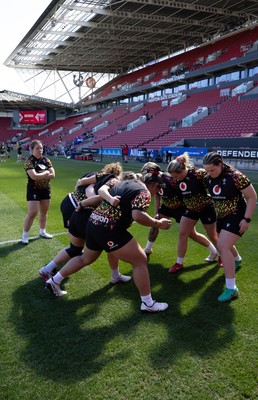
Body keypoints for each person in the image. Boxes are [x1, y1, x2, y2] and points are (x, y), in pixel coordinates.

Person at [46, 172, 172, 313]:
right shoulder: (144, 192)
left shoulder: (125, 183)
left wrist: (82, 204)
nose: (157, 193)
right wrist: (158, 223)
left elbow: (100, 197)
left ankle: (55, 280)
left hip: (94, 222)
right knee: (140, 260)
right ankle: (148, 303)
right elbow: (137, 215)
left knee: (85, 258)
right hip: (109, 228)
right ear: (154, 185)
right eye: (158, 189)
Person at [39, 172, 131, 285]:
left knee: (76, 249)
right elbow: (90, 192)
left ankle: (48, 269)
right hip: (79, 209)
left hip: (75, 205)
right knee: (89, 253)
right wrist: (106, 201)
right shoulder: (111, 181)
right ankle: (54, 279)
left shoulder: (102, 176)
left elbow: (80, 182)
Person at [203, 152, 257, 302]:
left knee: (223, 247)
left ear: (220, 164)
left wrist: (247, 219)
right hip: (221, 216)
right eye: (206, 170)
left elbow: (252, 197)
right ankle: (237, 259)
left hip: (237, 215)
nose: (209, 173)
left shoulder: (236, 176)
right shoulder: (208, 178)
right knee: (224, 243)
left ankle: (232, 289)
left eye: (212, 170)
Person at [142, 162, 218, 262]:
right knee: (155, 222)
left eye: (147, 174)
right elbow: (157, 196)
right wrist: (157, 212)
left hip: (181, 208)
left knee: (192, 234)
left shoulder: (171, 179)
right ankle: (148, 248)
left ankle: (214, 250)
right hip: (167, 206)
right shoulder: (155, 182)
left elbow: (186, 190)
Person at [60, 162, 123, 229]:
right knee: (81, 234)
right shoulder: (104, 179)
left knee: (76, 234)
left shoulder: (96, 175)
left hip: (69, 200)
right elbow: (89, 191)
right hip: (75, 205)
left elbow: (79, 182)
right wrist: (98, 204)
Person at [21, 140, 55, 244]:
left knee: (44, 212)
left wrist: (42, 174)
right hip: (33, 189)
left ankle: (42, 232)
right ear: (32, 149)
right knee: (32, 212)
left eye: (41, 148)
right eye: (37, 148)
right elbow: (34, 176)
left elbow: (53, 174)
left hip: (45, 189)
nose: (40, 150)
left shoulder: (46, 160)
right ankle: (25, 235)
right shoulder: (29, 161)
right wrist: (45, 173)